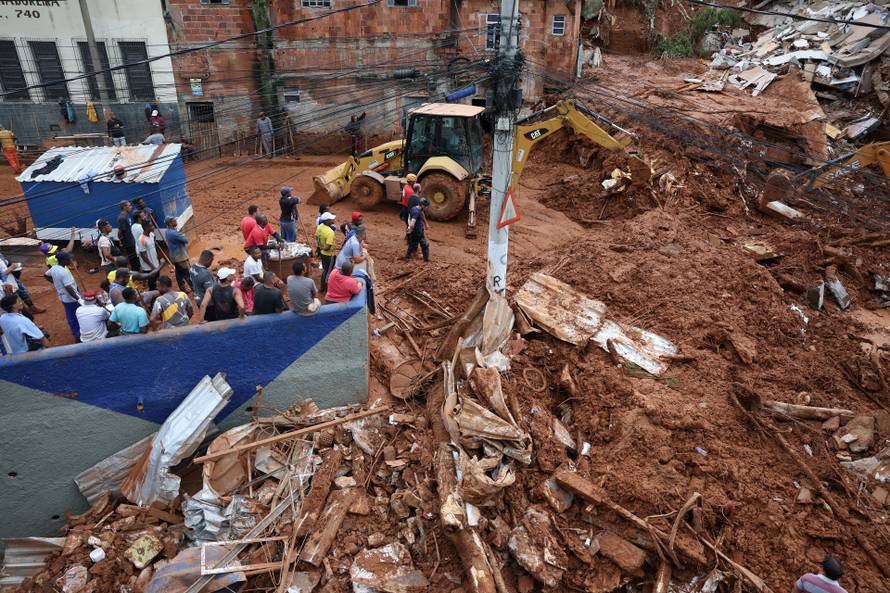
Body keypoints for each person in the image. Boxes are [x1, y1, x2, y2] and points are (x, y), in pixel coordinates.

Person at [44, 250, 81, 340]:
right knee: (74, 316)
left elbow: (45, 275)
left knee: (71, 314)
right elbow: (68, 288)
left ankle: (77, 333)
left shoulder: (54, 268)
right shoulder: (63, 272)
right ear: (64, 260)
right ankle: (78, 335)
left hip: (64, 296)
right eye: (69, 259)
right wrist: (78, 298)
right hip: (71, 297)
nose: (71, 260)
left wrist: (56, 284)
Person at [163, 217, 191, 292]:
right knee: (187, 273)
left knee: (179, 273)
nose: (176, 221)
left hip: (174, 257)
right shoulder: (174, 233)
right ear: (170, 223)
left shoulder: (167, 231)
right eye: (174, 220)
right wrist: (182, 235)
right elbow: (186, 240)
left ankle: (183, 289)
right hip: (180, 257)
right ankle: (194, 289)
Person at [190, 250, 216, 319]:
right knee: (212, 321)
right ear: (208, 260)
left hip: (198, 298)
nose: (211, 263)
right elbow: (211, 291)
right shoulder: (205, 274)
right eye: (211, 261)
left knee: (206, 317)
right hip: (208, 304)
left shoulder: (192, 267)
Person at [316, 212, 337, 292]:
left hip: (323, 254)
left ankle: (323, 287)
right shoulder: (330, 232)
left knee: (325, 270)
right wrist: (322, 247)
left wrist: (319, 248)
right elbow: (328, 247)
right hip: (330, 255)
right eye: (332, 219)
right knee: (328, 272)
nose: (333, 219)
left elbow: (317, 237)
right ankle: (325, 288)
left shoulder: (320, 227)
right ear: (327, 221)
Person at [137, 220, 161, 291]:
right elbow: (143, 255)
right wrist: (152, 266)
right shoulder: (141, 239)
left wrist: (157, 261)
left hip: (156, 264)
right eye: (151, 226)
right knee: (152, 284)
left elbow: (154, 246)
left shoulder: (152, 234)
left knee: (157, 281)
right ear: (146, 227)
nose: (153, 227)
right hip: (149, 268)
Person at [405, 197, 430, 262]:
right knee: (425, 245)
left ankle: (408, 256)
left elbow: (409, 218)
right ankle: (426, 260)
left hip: (416, 231)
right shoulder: (416, 212)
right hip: (417, 232)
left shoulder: (414, 208)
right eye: (426, 206)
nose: (427, 208)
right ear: (422, 205)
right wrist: (411, 229)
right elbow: (413, 222)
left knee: (412, 244)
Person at [117, 201, 139, 270]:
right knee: (134, 261)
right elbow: (120, 232)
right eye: (129, 206)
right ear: (124, 207)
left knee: (135, 259)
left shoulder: (126, 216)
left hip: (131, 240)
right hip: (128, 243)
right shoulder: (122, 218)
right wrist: (121, 241)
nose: (131, 207)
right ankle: (135, 276)